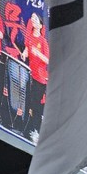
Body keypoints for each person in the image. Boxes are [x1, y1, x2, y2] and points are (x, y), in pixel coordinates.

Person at [21, 12, 49, 143]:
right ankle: (27, 128)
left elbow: (47, 60)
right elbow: (27, 49)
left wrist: (38, 53)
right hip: (30, 75)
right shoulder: (29, 37)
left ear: (41, 24)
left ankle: (36, 131)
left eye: (35, 18)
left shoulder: (43, 41)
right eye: (32, 18)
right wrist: (24, 54)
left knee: (36, 106)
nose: (33, 20)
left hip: (40, 78)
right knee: (28, 102)